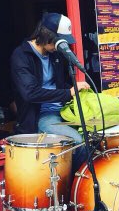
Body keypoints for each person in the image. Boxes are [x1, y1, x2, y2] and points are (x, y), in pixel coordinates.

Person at [9, 15, 89, 166]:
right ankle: (72, 185)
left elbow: (56, 85)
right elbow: (30, 93)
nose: (59, 45)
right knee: (79, 142)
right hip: (43, 114)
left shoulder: (54, 54)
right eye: (57, 41)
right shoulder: (21, 56)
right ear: (47, 36)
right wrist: (68, 92)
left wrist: (76, 88)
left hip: (64, 110)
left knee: (96, 136)